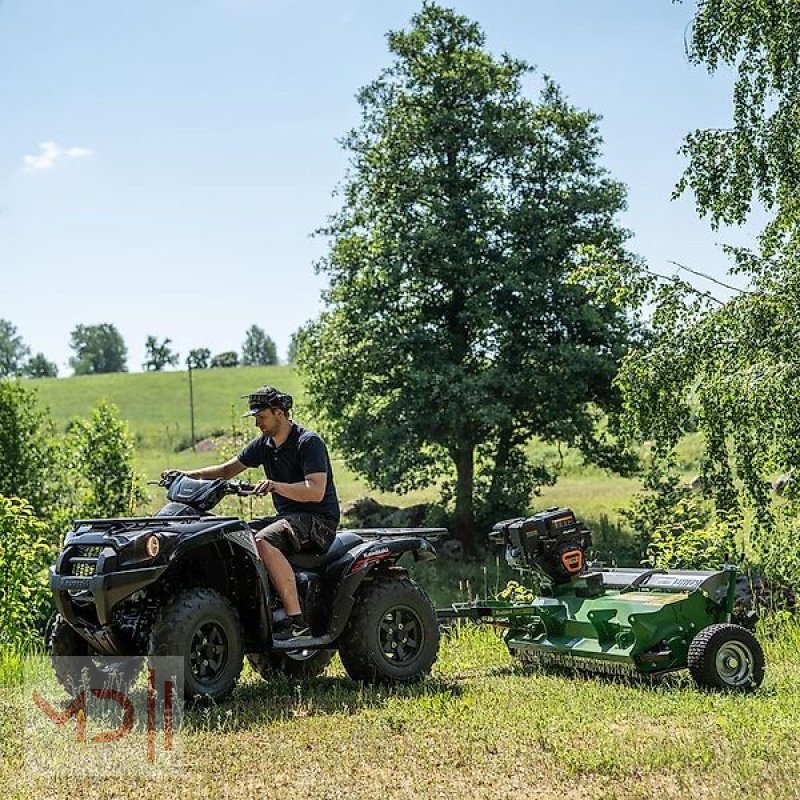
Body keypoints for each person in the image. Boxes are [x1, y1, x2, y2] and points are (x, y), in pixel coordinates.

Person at [171, 385, 339, 640]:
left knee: (262, 540)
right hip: (288, 520)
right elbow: (226, 471)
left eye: (261, 417)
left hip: (318, 522)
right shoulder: (264, 445)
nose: (257, 423)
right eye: (255, 418)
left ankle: (296, 621)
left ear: (280, 412)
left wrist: (275, 486)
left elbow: (315, 491)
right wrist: (185, 475)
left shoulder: (308, 442)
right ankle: (265, 606)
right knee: (237, 536)